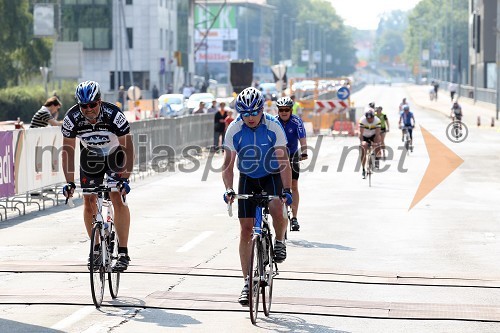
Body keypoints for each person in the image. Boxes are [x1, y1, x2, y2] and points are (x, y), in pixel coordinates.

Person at [222, 87, 292, 306]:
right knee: (245, 230)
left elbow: (284, 162)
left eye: (254, 112)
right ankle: (246, 282)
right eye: (245, 113)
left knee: (276, 208)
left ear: (262, 110)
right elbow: (227, 164)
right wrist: (229, 189)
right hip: (248, 176)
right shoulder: (234, 129)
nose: (250, 118)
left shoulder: (273, 125)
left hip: (271, 175)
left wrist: (287, 190)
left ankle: (279, 240)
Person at [61, 81, 134, 272]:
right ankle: (95, 249)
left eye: (92, 104)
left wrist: (125, 178)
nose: (89, 109)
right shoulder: (72, 118)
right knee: (88, 201)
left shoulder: (114, 115)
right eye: (84, 106)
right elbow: (68, 151)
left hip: (115, 154)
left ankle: (124, 252)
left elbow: (128, 147)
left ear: (99, 102)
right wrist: (69, 182)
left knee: (117, 196)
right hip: (91, 156)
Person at [275, 96, 307, 231]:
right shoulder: (274, 122)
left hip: (292, 155)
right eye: (281, 110)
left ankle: (294, 217)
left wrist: (304, 152)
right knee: (276, 186)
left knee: (294, 185)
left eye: (286, 110)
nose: (283, 112)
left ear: (291, 110)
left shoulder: (296, 121)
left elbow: (302, 139)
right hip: (277, 155)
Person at [359, 109, 381, 178]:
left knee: (378, 144)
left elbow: (377, 134)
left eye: (371, 118)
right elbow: (361, 133)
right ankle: (363, 169)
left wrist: (376, 144)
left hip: (373, 135)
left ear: (373, 117)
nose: (369, 120)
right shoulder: (362, 120)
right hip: (364, 136)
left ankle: (377, 159)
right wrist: (362, 142)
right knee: (363, 149)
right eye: (368, 119)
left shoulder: (377, 121)